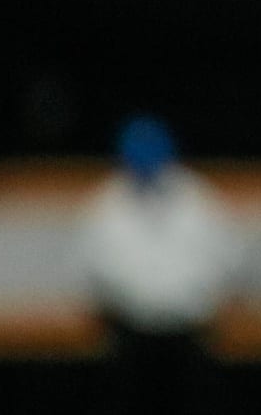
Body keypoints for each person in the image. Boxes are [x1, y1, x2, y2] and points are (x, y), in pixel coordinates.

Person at [78, 113, 239, 415]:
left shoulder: (196, 197)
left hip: (188, 334)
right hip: (130, 335)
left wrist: (207, 299)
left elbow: (227, 257)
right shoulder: (106, 203)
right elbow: (91, 268)